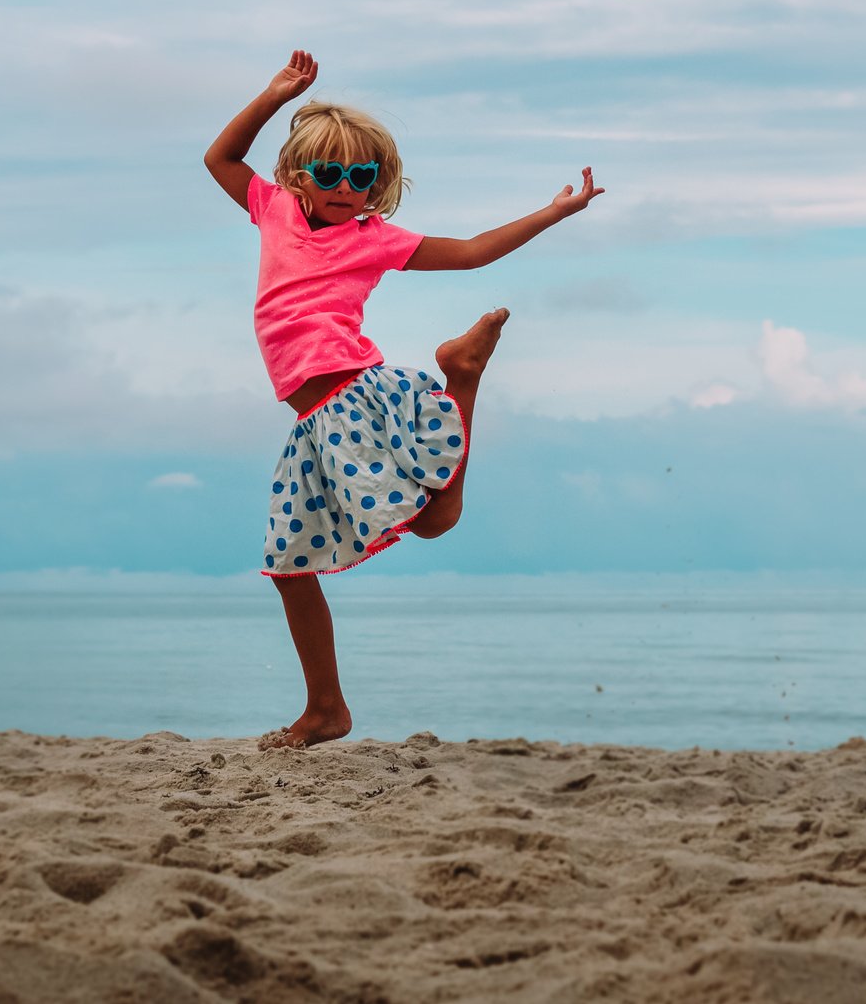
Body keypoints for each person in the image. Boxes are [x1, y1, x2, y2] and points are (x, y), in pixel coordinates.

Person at [203, 49, 604, 748]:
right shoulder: (273, 211)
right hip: (309, 422)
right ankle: (326, 708)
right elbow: (221, 158)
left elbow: (475, 250)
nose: (345, 187)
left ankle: (463, 376)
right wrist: (273, 95)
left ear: (377, 185)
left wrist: (554, 211)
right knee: (290, 565)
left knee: (433, 519)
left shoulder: (374, 239)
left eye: (361, 177)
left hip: (354, 393)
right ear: (298, 175)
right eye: (329, 173)